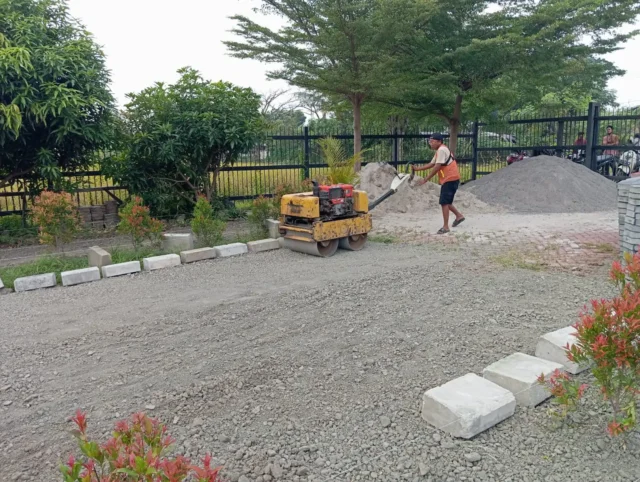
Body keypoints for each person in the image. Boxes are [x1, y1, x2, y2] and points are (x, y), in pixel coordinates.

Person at [411, 133, 464, 234]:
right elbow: (432, 164)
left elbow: (437, 167)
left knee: (444, 202)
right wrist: (418, 169)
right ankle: (459, 216)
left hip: (450, 179)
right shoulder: (440, 150)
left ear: (439, 141)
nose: (430, 143)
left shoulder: (441, 150)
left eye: (432, 141)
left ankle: (445, 227)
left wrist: (426, 179)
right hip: (451, 179)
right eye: (429, 141)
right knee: (446, 201)